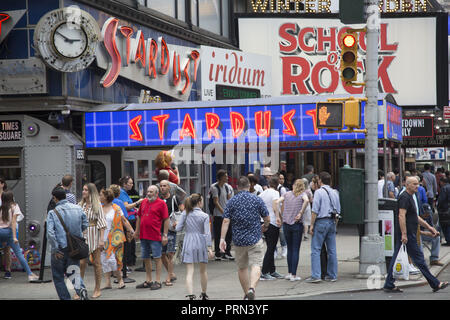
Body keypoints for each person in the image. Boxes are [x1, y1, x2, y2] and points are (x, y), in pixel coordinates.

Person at [383, 177, 448, 293]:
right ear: (407, 185)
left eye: (417, 184)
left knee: (397, 257)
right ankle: (435, 283)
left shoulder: (410, 197)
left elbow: (414, 217)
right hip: (407, 234)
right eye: (414, 184)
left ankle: (389, 283)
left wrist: (429, 227)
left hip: (409, 233)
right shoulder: (404, 197)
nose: (417, 186)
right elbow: (401, 216)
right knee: (419, 260)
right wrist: (404, 234)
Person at [220, 176, 270, 300]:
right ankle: (252, 288)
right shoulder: (256, 199)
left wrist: (222, 239)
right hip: (255, 238)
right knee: (256, 265)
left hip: (239, 241)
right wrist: (265, 226)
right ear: (249, 186)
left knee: (242, 268)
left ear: (237, 187)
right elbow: (267, 217)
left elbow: (226, 221)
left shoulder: (232, 201)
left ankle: (246, 293)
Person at [46, 187, 88, 300]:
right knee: (74, 272)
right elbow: (85, 223)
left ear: (55, 198)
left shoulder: (52, 212)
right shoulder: (78, 208)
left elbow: (50, 232)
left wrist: (55, 249)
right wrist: (78, 233)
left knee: (58, 276)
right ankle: (81, 290)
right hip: (74, 247)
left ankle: (65, 298)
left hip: (60, 247)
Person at [176, 194, 213, 300]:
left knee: (189, 271)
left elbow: (178, 228)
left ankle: (191, 295)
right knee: (203, 271)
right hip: (201, 242)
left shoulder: (185, 213)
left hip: (189, 241)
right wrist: (209, 247)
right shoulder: (205, 216)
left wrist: (177, 223)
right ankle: (204, 293)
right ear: (200, 202)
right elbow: (207, 233)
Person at [305, 171, 340, 283]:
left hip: (321, 222)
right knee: (332, 250)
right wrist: (335, 225)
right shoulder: (335, 192)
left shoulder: (319, 192)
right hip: (332, 222)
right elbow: (338, 211)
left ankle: (316, 275)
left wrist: (311, 225)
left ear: (320, 180)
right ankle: (332, 275)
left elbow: (315, 211)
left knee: (316, 249)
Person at [134, 185, 169, 290]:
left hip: (155, 236)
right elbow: (139, 217)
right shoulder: (144, 202)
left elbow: (166, 219)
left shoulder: (162, 203)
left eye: (151, 192)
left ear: (156, 193)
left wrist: (165, 235)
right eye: (148, 191)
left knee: (157, 258)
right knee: (145, 257)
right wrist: (136, 231)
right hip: (144, 235)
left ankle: (157, 281)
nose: (148, 193)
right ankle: (148, 280)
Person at [99, 188, 134, 290]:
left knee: (114, 260)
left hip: (114, 238)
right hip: (101, 238)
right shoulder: (99, 208)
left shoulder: (116, 208)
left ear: (106, 197)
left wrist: (132, 231)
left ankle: (120, 280)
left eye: (101, 195)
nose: (99, 197)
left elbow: (124, 221)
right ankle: (108, 282)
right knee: (104, 260)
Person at [0, 190, 38, 282]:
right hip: (9, 232)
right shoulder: (14, 207)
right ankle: (30, 274)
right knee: (19, 254)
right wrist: (14, 236)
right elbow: (13, 222)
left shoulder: (1, 208)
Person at [277, 179, 309, 281]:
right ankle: (294, 275)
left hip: (286, 224)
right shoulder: (302, 195)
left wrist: (278, 215)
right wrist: (301, 212)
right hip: (296, 224)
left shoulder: (286, 194)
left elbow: (277, 202)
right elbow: (307, 200)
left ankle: (289, 273)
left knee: (290, 249)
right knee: (295, 249)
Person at [78, 183, 106, 299]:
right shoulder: (79, 205)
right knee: (81, 263)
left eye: (86, 190)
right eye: (83, 189)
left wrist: (101, 240)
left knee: (96, 263)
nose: (83, 192)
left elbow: (102, 224)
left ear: (91, 192)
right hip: (82, 235)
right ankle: (78, 288)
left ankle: (97, 288)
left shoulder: (97, 205)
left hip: (94, 234)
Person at [119, 176, 144, 282]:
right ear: (124, 184)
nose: (132, 185)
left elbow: (130, 206)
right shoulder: (122, 193)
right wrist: (138, 202)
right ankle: (126, 263)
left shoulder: (126, 193)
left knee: (131, 242)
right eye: (130, 183)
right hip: (128, 219)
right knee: (128, 242)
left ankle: (129, 262)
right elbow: (126, 207)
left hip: (132, 218)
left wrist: (136, 208)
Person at [159, 179, 185, 286]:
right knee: (161, 254)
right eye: (161, 186)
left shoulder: (174, 198)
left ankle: (168, 277)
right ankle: (171, 273)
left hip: (170, 230)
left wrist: (178, 221)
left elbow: (183, 210)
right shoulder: (158, 199)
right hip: (159, 230)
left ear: (169, 187)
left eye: (164, 186)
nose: (162, 188)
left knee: (170, 254)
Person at [259, 175, 284, 280]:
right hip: (273, 221)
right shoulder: (275, 193)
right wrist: (278, 218)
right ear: (277, 184)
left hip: (263, 221)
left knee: (271, 246)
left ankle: (272, 270)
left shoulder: (262, 194)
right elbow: (275, 205)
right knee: (271, 248)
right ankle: (264, 271)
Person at [210, 169, 234, 261]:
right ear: (221, 177)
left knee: (228, 234)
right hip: (218, 215)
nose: (227, 178)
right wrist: (223, 212)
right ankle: (218, 252)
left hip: (227, 214)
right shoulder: (214, 187)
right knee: (218, 234)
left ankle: (227, 252)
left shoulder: (228, 187)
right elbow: (216, 202)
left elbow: (230, 199)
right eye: (225, 176)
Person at [437, 177, 450, 246]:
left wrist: (439, 208)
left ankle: (448, 240)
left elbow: (441, 200)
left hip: (445, 210)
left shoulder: (444, 188)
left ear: (442, 182)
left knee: (445, 225)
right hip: (447, 208)